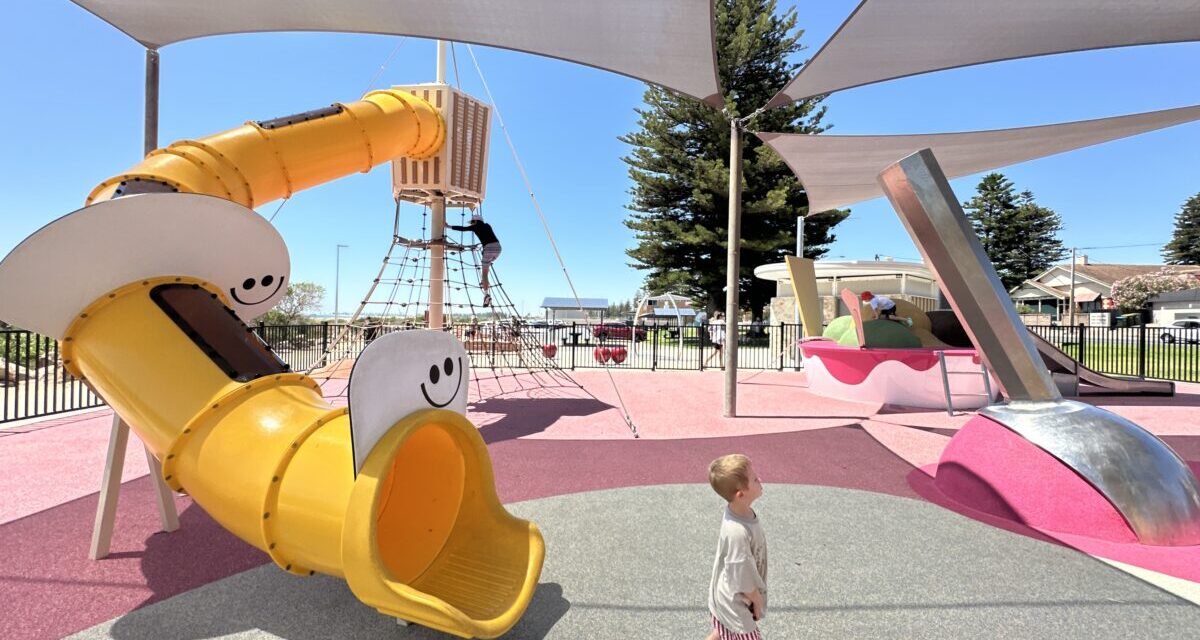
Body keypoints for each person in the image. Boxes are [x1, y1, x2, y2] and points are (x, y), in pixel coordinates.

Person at [706, 454, 768, 640]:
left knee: (722, 632)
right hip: (735, 604)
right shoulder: (738, 532)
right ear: (741, 494)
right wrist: (757, 600)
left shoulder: (739, 511)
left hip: (728, 596)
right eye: (755, 479)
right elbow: (742, 577)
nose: (760, 480)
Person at [448, 212, 501, 307]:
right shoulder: (488, 225)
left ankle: (486, 294)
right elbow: (487, 235)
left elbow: (463, 229)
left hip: (488, 249)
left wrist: (448, 226)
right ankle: (484, 281)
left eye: (472, 222)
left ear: (475, 221)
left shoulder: (475, 227)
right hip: (498, 248)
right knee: (486, 268)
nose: (471, 224)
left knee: (484, 273)